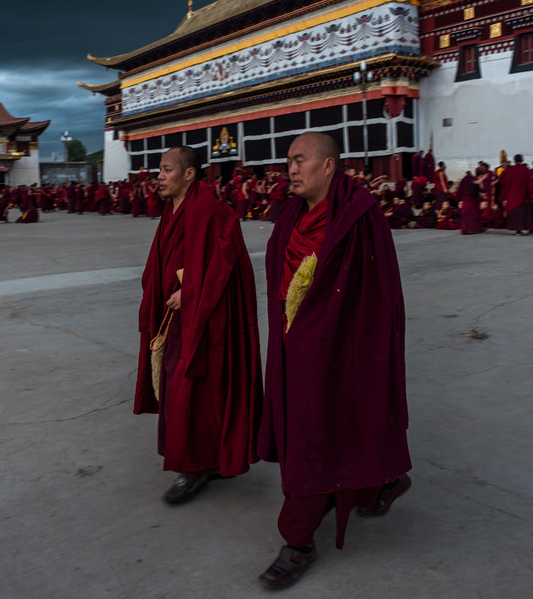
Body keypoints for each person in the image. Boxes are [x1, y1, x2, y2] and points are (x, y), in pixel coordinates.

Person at [257, 132, 411, 590]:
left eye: (300, 160)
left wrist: (337, 336)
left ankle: (298, 540)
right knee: (334, 428)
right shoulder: (289, 217)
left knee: (315, 433)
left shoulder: (360, 218)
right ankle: (382, 482)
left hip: (339, 342)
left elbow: (379, 292)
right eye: (288, 161)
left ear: (328, 167)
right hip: (292, 342)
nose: (291, 169)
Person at [134, 146, 263, 504]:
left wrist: (190, 289)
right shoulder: (172, 211)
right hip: (176, 314)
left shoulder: (209, 209)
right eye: (159, 170)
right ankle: (209, 460)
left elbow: (226, 259)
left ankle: (192, 467)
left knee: (188, 387)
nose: (159, 176)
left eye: (167, 169)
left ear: (189, 174)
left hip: (205, 318)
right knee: (189, 389)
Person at [500, 154, 533, 235]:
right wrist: (531, 193)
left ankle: (518, 230)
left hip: (512, 195)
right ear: (522, 160)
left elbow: (502, 179)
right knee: (527, 212)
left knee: (517, 212)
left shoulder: (510, 169)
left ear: (514, 161)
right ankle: (530, 229)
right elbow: (531, 182)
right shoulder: (526, 169)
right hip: (524, 195)